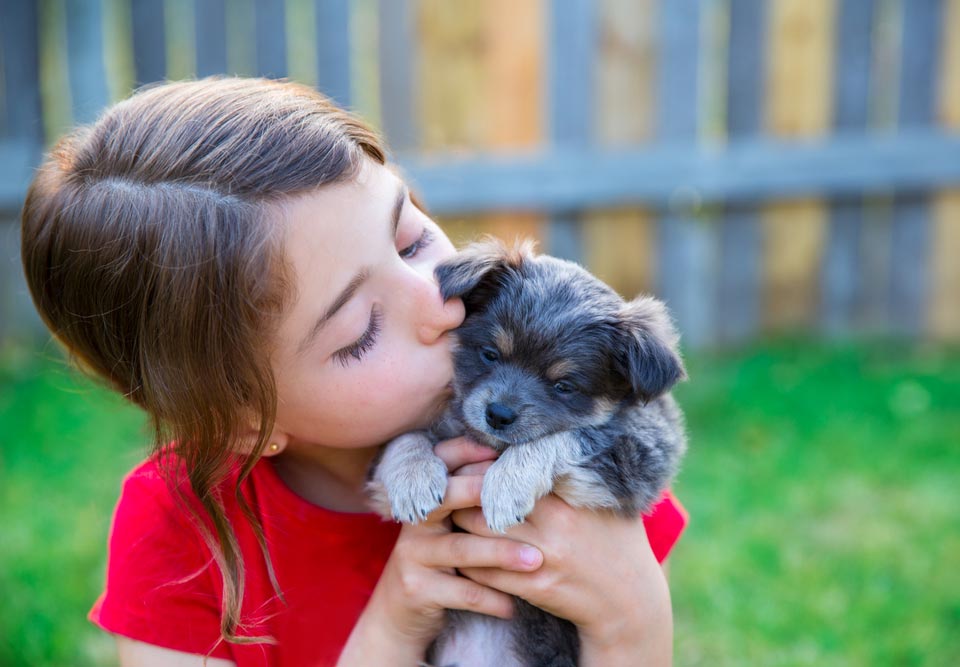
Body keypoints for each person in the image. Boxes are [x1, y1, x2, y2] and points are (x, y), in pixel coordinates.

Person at [20, 77, 687, 666]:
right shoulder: (177, 530)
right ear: (245, 416)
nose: (436, 300)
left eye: (411, 239)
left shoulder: (570, 480)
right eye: (361, 331)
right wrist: (396, 622)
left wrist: (632, 617)